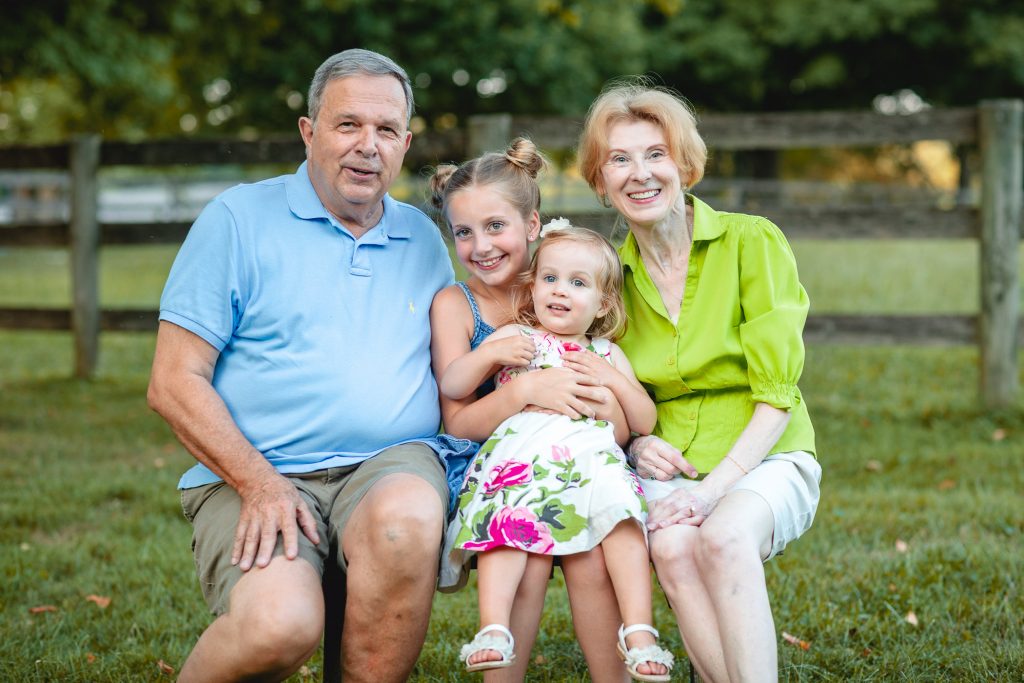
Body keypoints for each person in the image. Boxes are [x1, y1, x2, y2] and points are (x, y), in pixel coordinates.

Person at [146, 48, 471, 683]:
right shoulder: (237, 221)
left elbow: (460, 362)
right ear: (309, 131)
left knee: (407, 518)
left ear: (405, 144)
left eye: (385, 131)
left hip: (390, 463)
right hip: (258, 469)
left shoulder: (426, 239)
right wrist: (259, 483)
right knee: (279, 626)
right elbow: (172, 381)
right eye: (348, 124)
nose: (366, 146)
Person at [575, 79, 822, 683]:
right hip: (674, 463)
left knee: (722, 538)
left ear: (684, 163)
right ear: (600, 181)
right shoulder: (607, 281)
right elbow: (614, 393)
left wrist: (713, 495)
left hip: (765, 453)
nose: (640, 174)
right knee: (673, 548)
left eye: (655, 154)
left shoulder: (750, 241)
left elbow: (778, 395)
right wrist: (635, 442)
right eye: (619, 159)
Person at [428, 140, 635, 683]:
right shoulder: (457, 305)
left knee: (590, 556)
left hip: (577, 455)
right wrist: (525, 391)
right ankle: (501, 662)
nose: (481, 246)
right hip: (494, 465)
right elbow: (459, 423)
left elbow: (616, 411)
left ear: (533, 223)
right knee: (531, 551)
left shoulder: (562, 288)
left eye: (496, 226)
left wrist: (612, 408)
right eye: (464, 232)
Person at [441, 222, 675, 682]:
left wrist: (614, 383)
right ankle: (493, 628)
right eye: (549, 279)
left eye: (577, 282)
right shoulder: (516, 339)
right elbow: (453, 384)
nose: (559, 291)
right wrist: (489, 356)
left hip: (588, 470)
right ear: (533, 288)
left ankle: (640, 629)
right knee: (508, 523)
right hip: (522, 464)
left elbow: (643, 422)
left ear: (604, 302)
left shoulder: (606, 354)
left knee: (622, 516)